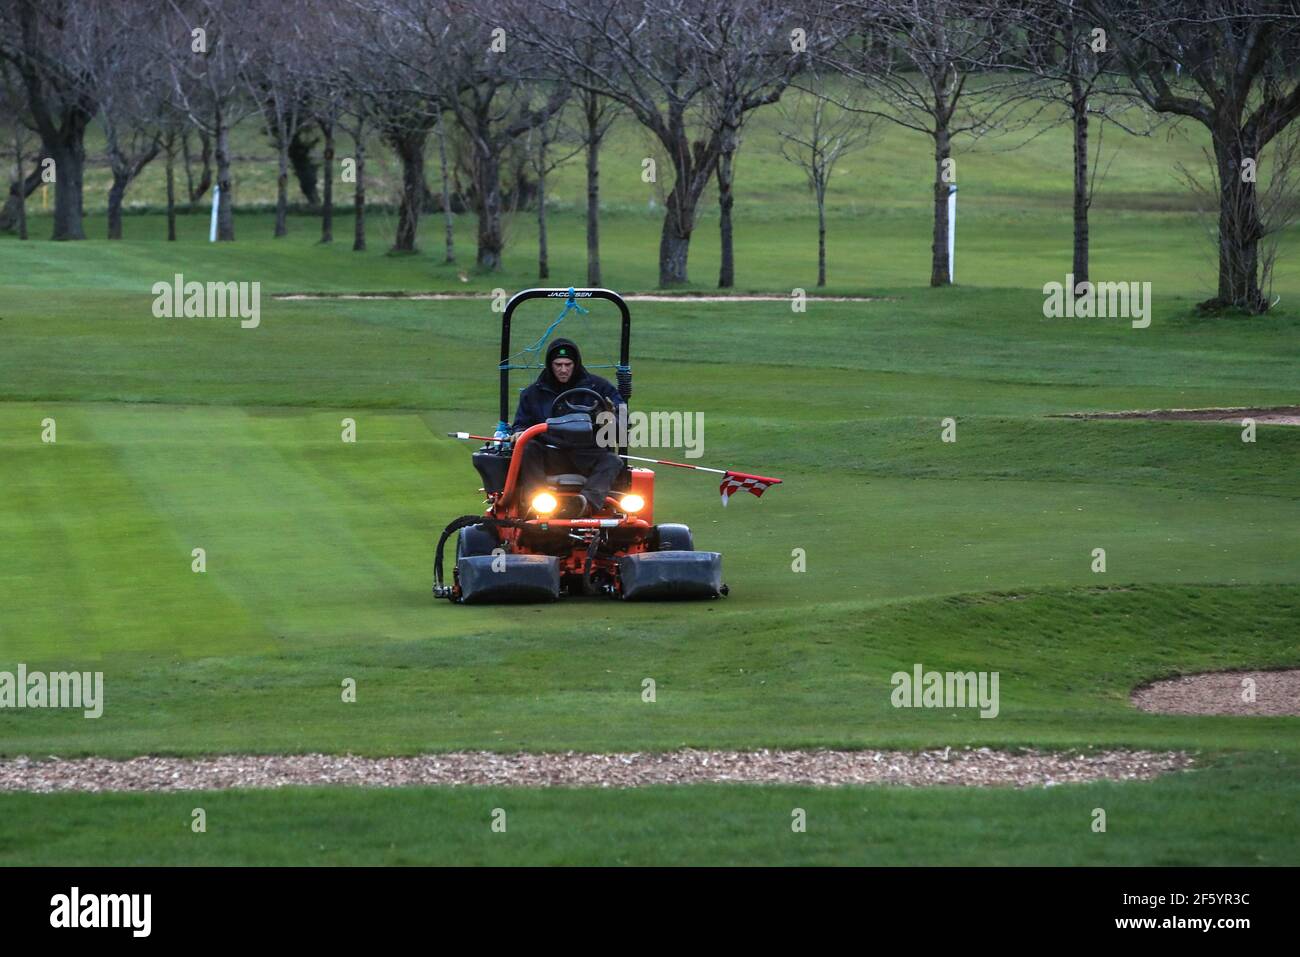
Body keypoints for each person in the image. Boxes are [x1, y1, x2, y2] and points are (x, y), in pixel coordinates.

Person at [511, 338, 625, 514]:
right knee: (528, 448)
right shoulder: (533, 394)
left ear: (576, 364)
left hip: (588, 453)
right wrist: (519, 432)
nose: (563, 370)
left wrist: (610, 419)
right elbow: (521, 424)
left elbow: (623, 423)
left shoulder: (600, 388)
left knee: (613, 461)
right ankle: (537, 504)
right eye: (558, 365)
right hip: (550, 454)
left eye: (568, 364)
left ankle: (585, 505)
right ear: (550, 365)